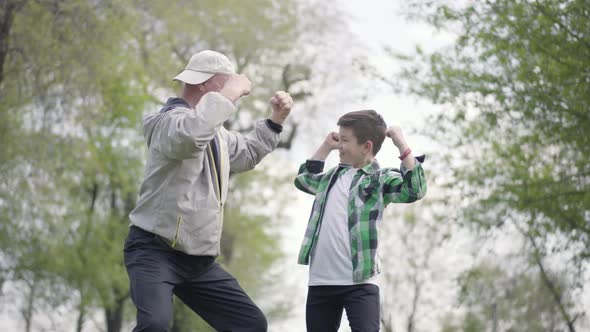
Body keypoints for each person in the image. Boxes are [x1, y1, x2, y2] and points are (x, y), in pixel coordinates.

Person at [124, 50, 293, 332]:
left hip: (197, 261)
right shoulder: (166, 122)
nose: (233, 94)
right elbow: (190, 136)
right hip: (155, 250)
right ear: (204, 84)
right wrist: (230, 93)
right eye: (224, 84)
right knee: (154, 325)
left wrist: (275, 120)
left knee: (251, 324)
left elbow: (248, 153)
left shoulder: (216, 134)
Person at [294, 110, 427, 332]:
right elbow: (303, 180)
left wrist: (401, 144)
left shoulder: (379, 179)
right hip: (321, 282)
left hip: (360, 283)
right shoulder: (330, 178)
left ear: (366, 146)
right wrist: (326, 147)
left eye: (345, 140)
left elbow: (415, 190)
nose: (340, 146)